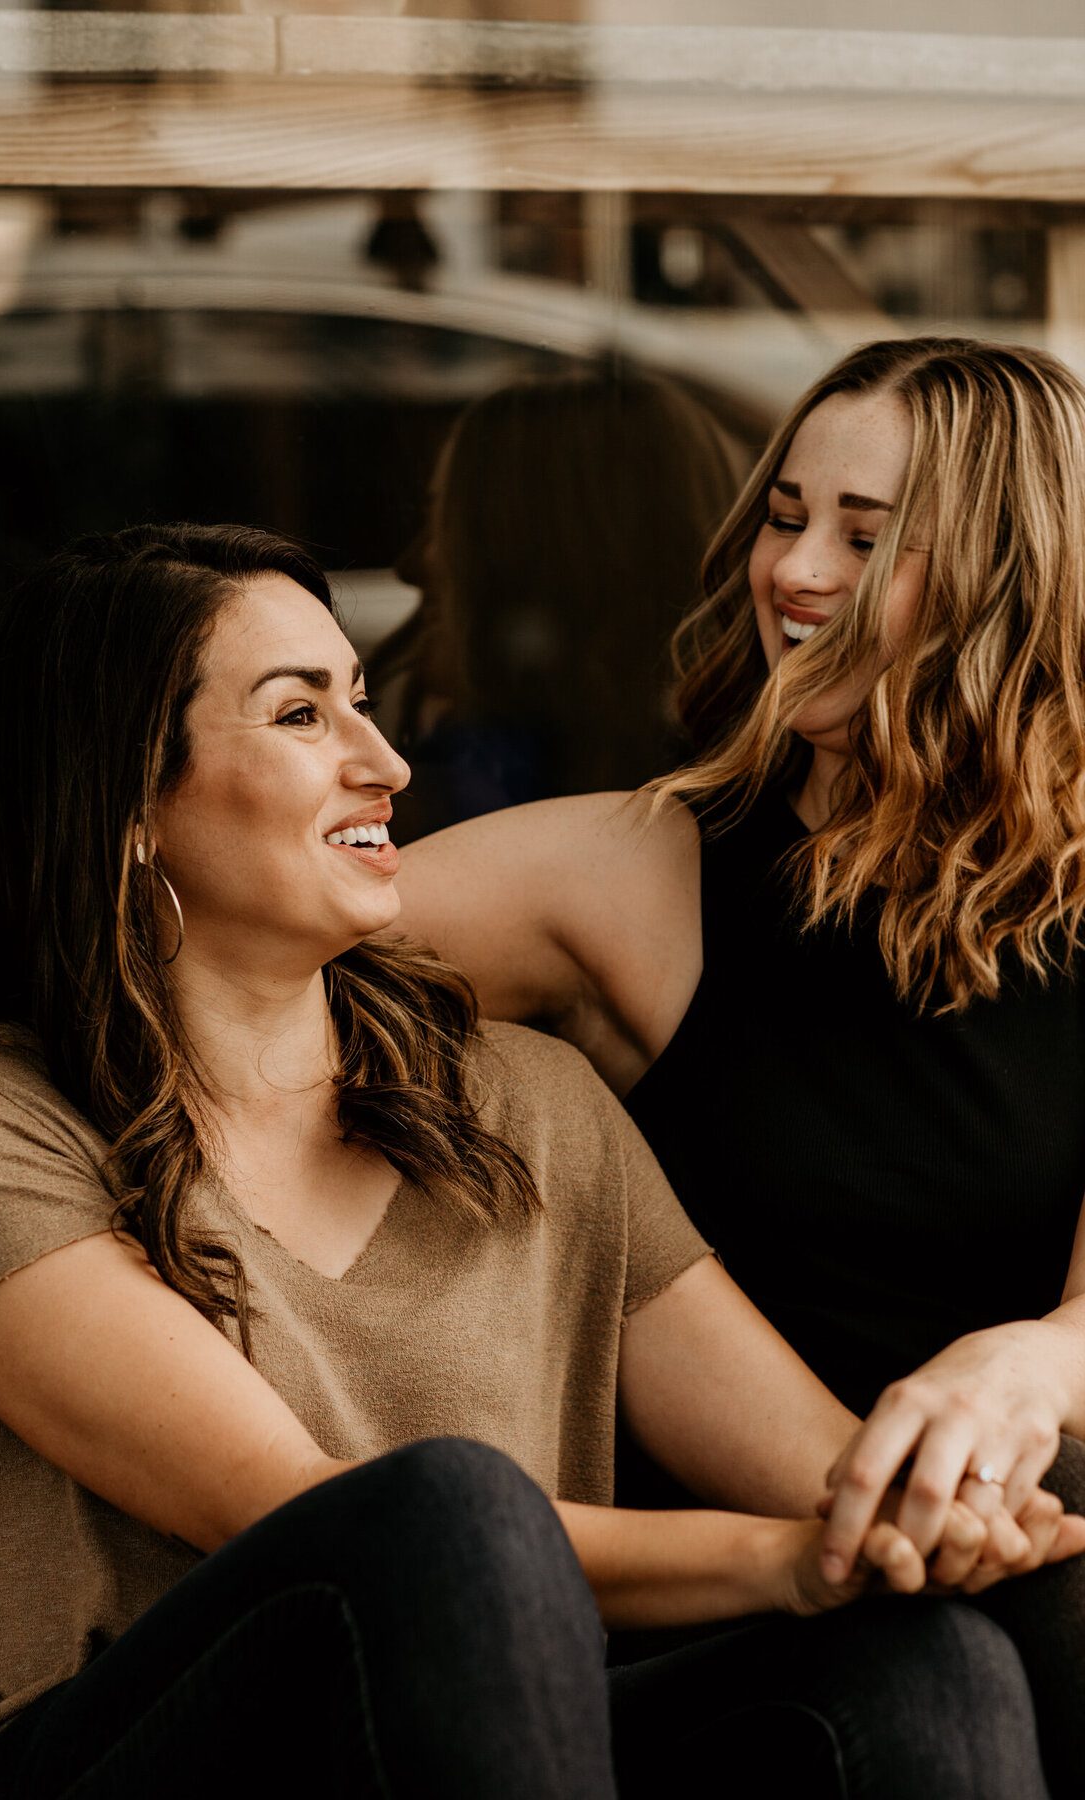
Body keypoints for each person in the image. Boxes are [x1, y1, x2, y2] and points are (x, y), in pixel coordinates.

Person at [0, 523, 1074, 1800]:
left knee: (926, 1659)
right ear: (125, 801)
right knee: (448, 1514)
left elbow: (819, 1467)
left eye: (362, 701)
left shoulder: (525, 1104)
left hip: (496, 1750)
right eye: (301, 717)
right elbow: (283, 1509)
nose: (383, 761)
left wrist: (953, 1524)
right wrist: (780, 1563)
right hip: (115, 1767)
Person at [381, 336, 1085, 1792]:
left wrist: (1023, 1365)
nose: (796, 572)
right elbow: (167, 933)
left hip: (1014, 1554)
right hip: (755, 1623)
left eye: (866, 536)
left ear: (1010, 581)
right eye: (785, 514)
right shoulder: (648, 876)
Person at [370, 367, 746, 837]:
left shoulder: (456, 804)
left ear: (530, 567)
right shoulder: (735, 800)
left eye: (444, 527)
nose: (411, 566)